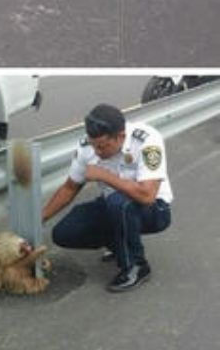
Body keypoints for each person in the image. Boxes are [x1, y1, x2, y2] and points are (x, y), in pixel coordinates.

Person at [41, 103, 172, 292]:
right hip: (113, 205)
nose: (97, 152)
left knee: (120, 203)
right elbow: (70, 188)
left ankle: (136, 266)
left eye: (103, 146)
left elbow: (147, 195)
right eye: (94, 145)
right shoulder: (88, 147)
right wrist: (41, 217)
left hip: (155, 210)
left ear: (120, 137)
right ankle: (117, 243)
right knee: (63, 233)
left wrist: (104, 175)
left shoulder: (146, 140)